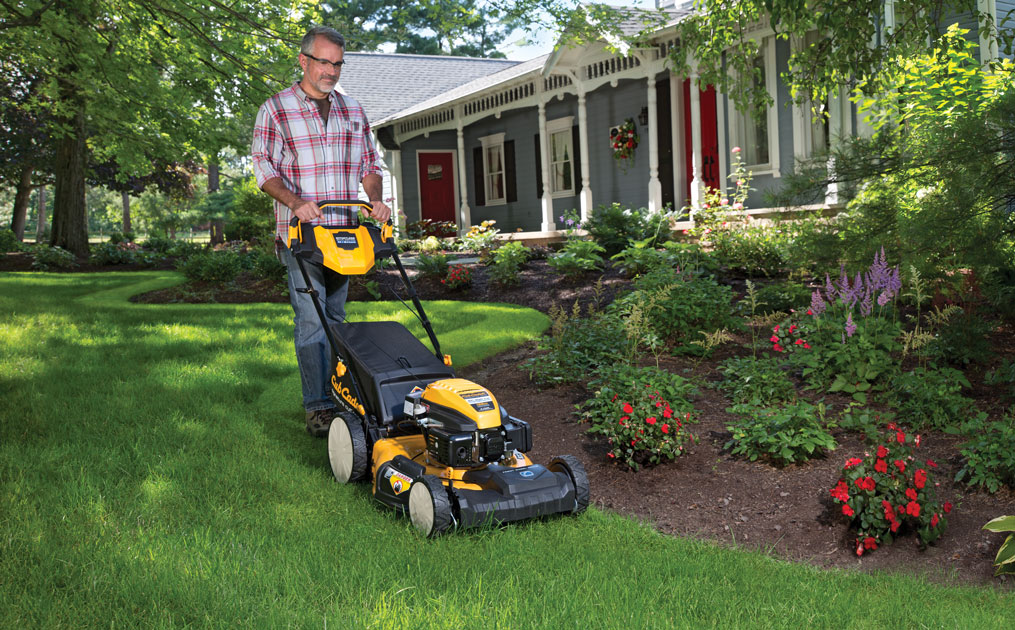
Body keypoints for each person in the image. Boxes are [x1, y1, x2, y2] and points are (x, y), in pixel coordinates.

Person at [251, 26, 392, 437]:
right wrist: (296, 203)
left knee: (336, 317)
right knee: (312, 319)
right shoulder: (276, 110)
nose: (331, 70)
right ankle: (318, 408)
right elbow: (263, 167)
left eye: (338, 63)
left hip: (345, 233)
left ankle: (341, 394)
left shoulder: (352, 110)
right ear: (304, 61)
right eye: (324, 62)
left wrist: (375, 200)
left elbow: (369, 164)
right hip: (303, 235)